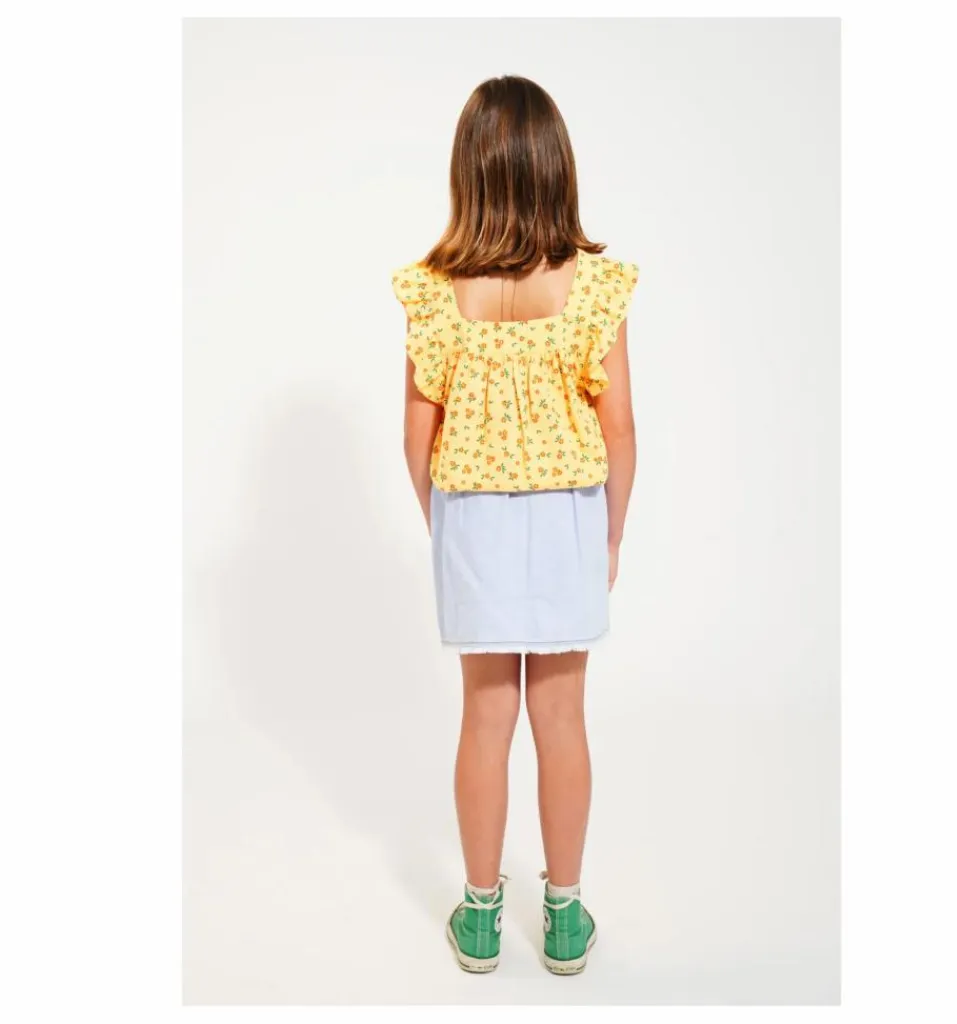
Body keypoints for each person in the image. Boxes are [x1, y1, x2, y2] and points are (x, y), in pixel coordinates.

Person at [391, 75, 638, 975]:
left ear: (470, 172)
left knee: (485, 717)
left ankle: (482, 913)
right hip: (569, 513)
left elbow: (416, 437)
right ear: (555, 168)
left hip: (473, 521)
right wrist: (610, 536)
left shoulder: (435, 293)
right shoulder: (593, 288)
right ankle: (564, 916)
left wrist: (444, 525)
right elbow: (620, 430)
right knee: (562, 717)